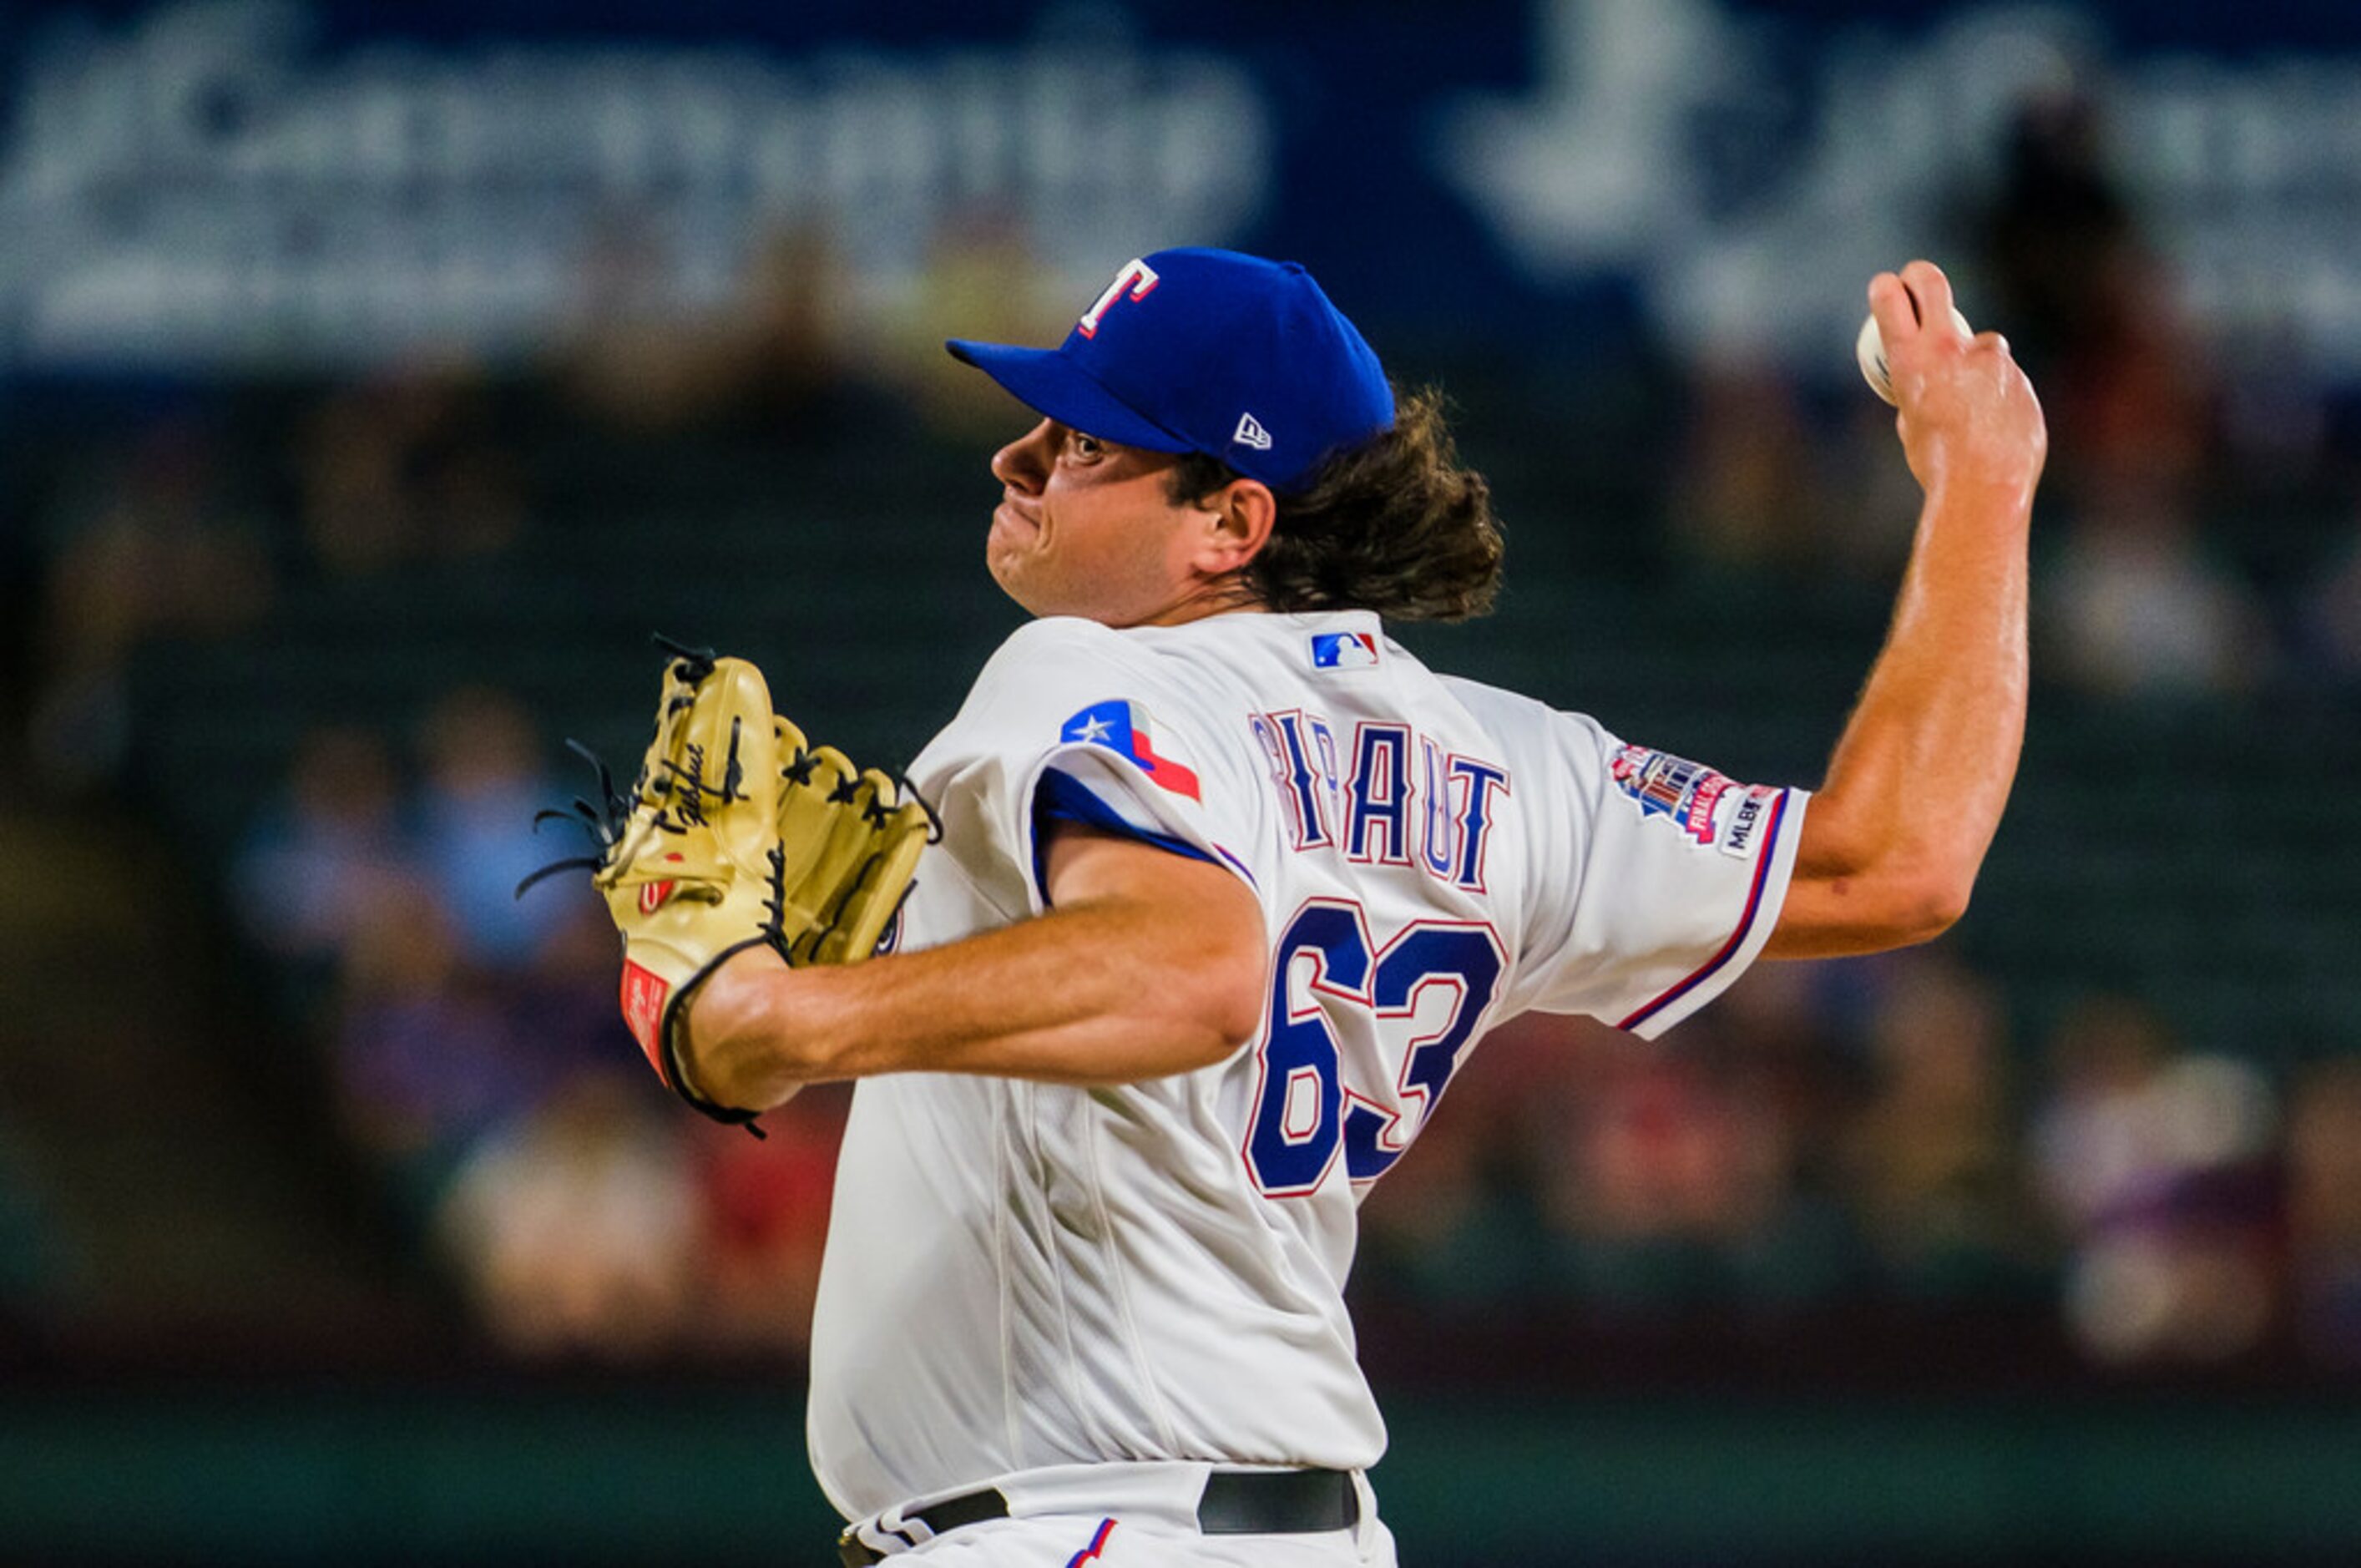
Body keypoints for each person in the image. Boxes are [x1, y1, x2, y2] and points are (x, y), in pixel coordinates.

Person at [678, 248, 2045, 1565]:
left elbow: (1194, 969)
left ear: (1232, 521)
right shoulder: (1512, 765)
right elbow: (1896, 859)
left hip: (1078, 1521)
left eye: (1088, 441)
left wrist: (780, 1016)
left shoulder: (1080, 672)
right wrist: (1983, 487)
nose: (1020, 457)